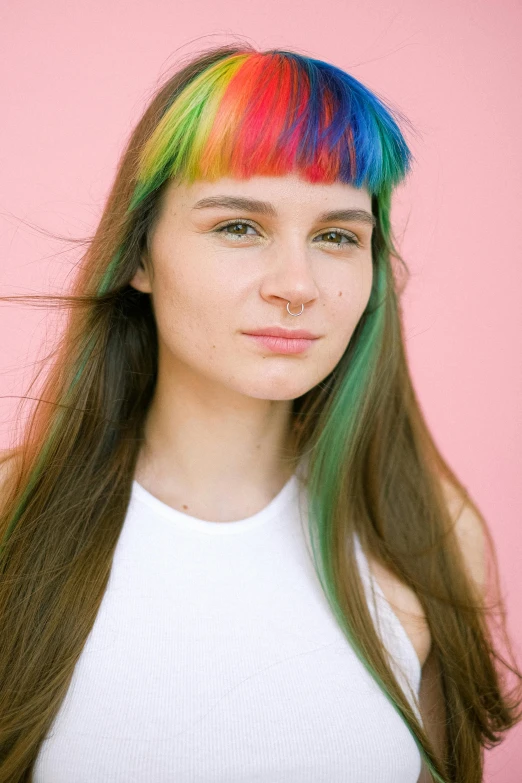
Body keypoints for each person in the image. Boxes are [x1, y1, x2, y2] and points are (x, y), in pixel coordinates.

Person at [0, 43, 520, 783]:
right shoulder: (10, 517)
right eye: (240, 226)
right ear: (140, 254)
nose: (297, 284)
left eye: (338, 236)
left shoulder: (429, 536)